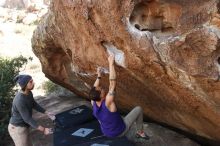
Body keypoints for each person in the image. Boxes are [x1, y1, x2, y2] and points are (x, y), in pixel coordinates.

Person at [89, 54, 149, 140]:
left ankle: (115, 125)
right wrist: (111, 64)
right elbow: (112, 83)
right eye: (101, 89)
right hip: (120, 132)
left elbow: (93, 88)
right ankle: (140, 132)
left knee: (112, 117)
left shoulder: (93, 101)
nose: (102, 88)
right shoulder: (108, 102)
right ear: (101, 96)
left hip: (106, 132)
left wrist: (99, 76)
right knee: (138, 109)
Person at [8, 74, 55, 146]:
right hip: (17, 129)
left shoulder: (29, 93)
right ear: (25, 85)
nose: (33, 83)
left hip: (24, 127)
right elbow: (27, 119)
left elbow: (34, 104)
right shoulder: (20, 100)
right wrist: (44, 129)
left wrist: (46, 112)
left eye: (32, 81)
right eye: (30, 82)